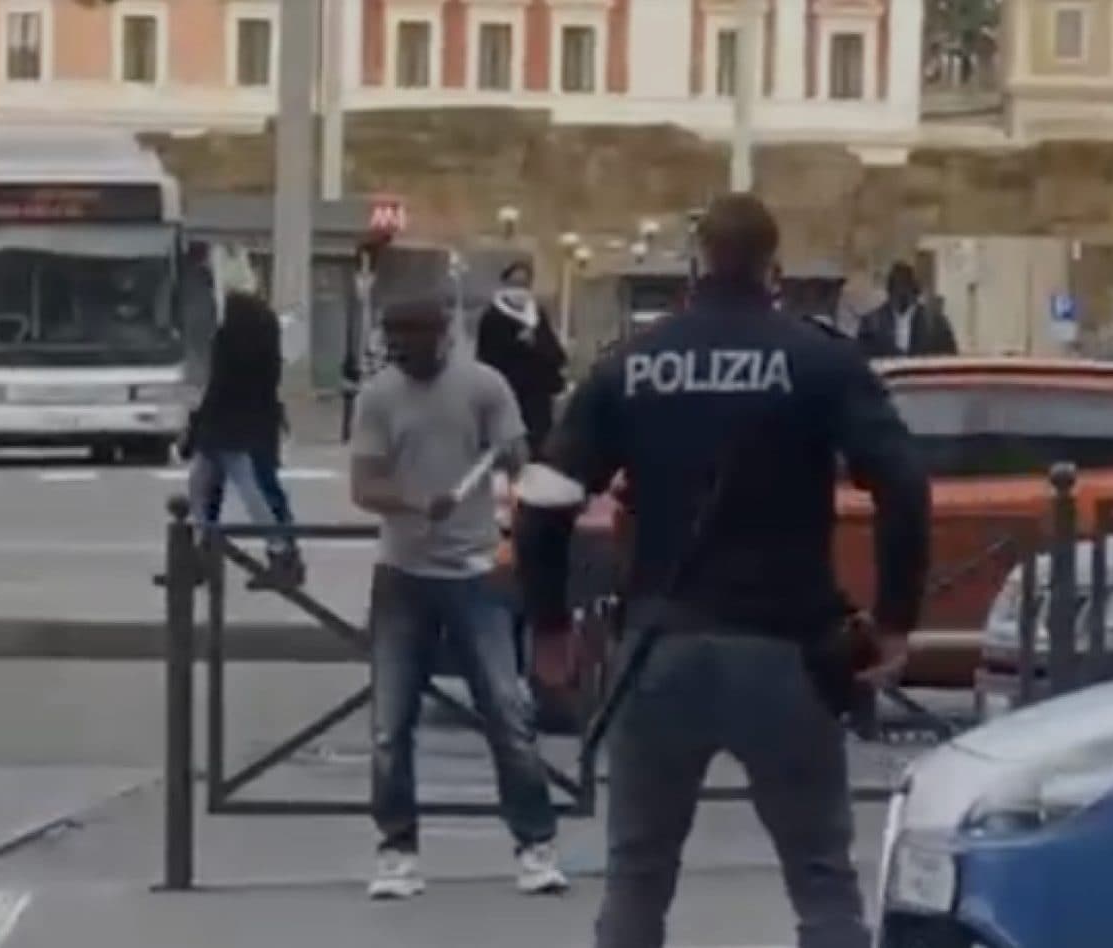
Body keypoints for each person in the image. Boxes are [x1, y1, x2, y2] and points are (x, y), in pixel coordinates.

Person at [513, 193, 930, 948]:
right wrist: (895, 618)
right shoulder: (818, 359)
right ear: (774, 268)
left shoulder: (632, 364)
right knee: (821, 880)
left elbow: (543, 498)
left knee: (637, 879)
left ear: (697, 260)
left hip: (657, 648)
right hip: (787, 649)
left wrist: (547, 622)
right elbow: (903, 485)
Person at [349, 296, 568, 901]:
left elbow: (517, 456)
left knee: (507, 711)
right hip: (402, 574)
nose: (400, 348)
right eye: (392, 336)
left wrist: (511, 455)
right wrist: (419, 502)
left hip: (476, 576)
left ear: (442, 332)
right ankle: (396, 851)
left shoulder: (485, 386)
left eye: (411, 334)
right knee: (390, 725)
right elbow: (364, 485)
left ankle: (535, 845)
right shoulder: (378, 396)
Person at [185, 291, 303, 578]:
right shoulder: (266, 340)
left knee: (209, 490)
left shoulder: (228, 340)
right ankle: (280, 552)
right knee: (254, 491)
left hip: (224, 430)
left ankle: (210, 551)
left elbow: (217, 388)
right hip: (254, 428)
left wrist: (195, 428)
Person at [475, 261, 567, 457]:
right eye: (515, 284)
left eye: (524, 285)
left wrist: (537, 343)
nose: (520, 291)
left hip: (537, 400)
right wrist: (517, 345)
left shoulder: (536, 315)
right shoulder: (493, 317)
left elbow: (556, 354)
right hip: (507, 395)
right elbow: (488, 358)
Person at [855, 261, 957, 358]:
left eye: (905, 286)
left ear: (914, 290)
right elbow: (862, 360)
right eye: (897, 287)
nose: (901, 292)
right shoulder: (871, 324)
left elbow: (948, 360)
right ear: (889, 291)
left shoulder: (936, 324)